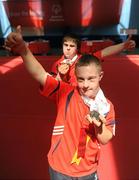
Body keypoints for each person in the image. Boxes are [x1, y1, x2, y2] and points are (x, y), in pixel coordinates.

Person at [4, 26, 116, 180]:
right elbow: (40, 74)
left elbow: (105, 139)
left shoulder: (107, 106)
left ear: (100, 76)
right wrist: (24, 50)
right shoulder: (67, 92)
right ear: (76, 76)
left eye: (91, 79)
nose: (85, 84)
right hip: (59, 168)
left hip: (88, 170)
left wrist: (100, 127)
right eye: (81, 79)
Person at [51, 33, 135, 86]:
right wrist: (60, 76)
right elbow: (53, 87)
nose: (68, 48)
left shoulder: (85, 59)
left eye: (72, 46)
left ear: (77, 48)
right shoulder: (56, 65)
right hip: (67, 103)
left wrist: (123, 45)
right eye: (66, 45)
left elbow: (105, 52)